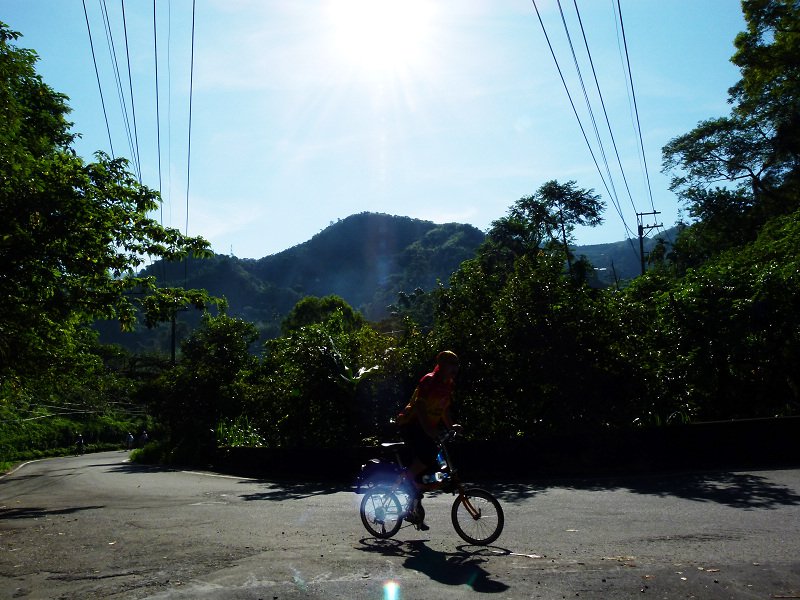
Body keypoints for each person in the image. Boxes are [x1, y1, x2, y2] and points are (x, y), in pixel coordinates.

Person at [396, 350, 462, 530]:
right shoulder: (429, 380)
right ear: (442, 365)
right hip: (412, 424)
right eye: (451, 364)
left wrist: (451, 427)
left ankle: (414, 504)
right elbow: (419, 406)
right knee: (426, 457)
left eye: (457, 364)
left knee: (431, 469)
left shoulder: (448, 384)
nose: (455, 368)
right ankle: (407, 481)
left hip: (427, 427)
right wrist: (428, 429)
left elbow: (444, 410)